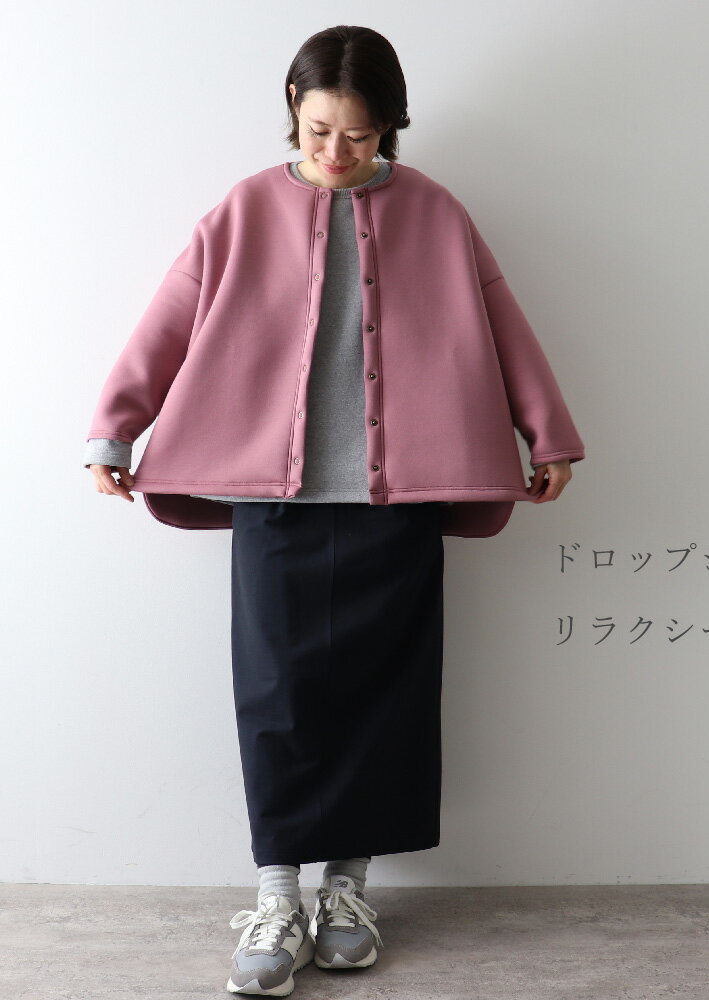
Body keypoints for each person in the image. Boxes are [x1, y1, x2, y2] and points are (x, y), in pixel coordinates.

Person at [83, 24, 585, 998]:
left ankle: (347, 891)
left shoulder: (435, 212)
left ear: (391, 124)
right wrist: (114, 430)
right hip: (274, 497)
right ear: (292, 104)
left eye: (360, 135)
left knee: (385, 693)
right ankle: (277, 894)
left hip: (401, 496)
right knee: (277, 694)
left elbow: (500, 322)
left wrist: (548, 433)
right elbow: (170, 318)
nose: (337, 152)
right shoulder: (244, 209)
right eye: (320, 130)